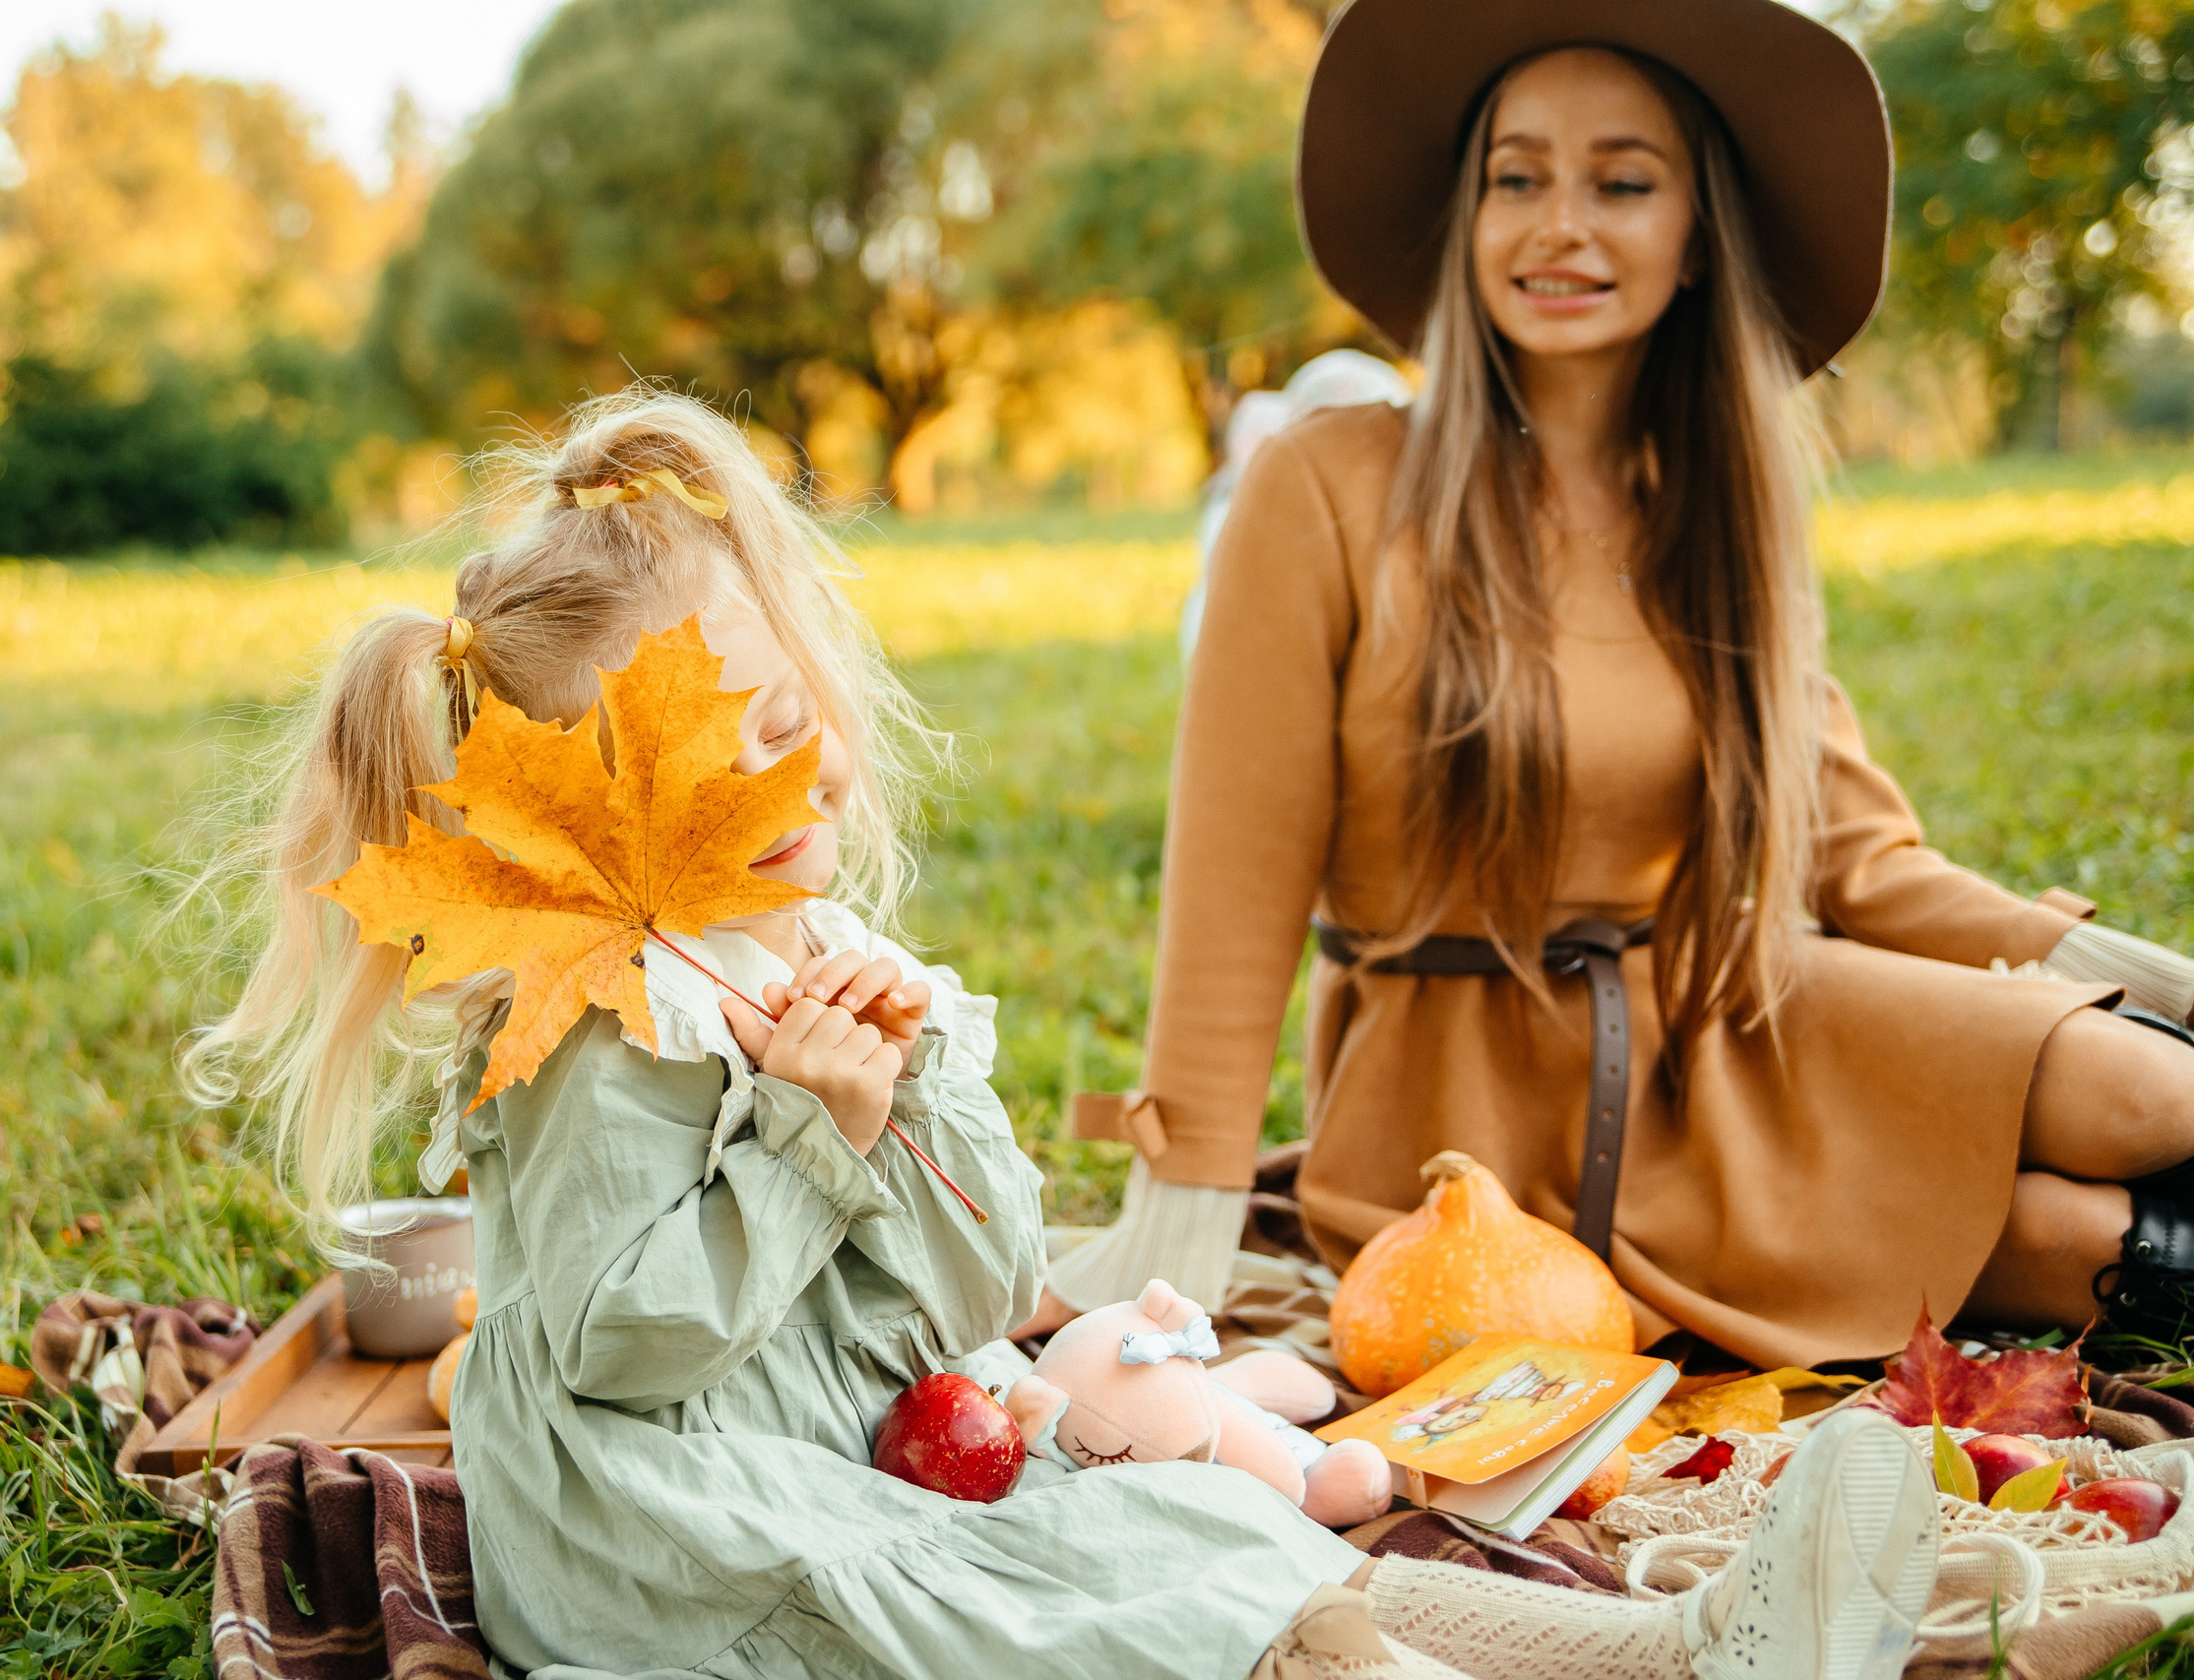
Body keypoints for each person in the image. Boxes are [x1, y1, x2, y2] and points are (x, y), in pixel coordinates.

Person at [189, 386, 1944, 1679]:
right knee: (1087, 1614)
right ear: (576, 825)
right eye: (731, 760)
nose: (794, 773)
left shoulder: (818, 952)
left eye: (801, 715)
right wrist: (805, 1143)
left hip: (853, 1451)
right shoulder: (593, 1041)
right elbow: (624, 1350)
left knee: (1190, 1525)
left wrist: (903, 1109)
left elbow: (981, 1284)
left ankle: (1703, 1638)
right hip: (682, 1536)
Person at [1048, 0, 2194, 1365]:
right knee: (2085, 1247)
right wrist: (1177, 1223)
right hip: (1468, 1124)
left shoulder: (1719, 510)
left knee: (2147, 1091)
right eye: (1515, 178)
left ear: (1699, 231)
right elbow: (1231, 907)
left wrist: (2141, 973)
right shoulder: (1328, 485)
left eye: (1622, 183)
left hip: (1725, 1028)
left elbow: (1861, 856)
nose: (1559, 226)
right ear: (1466, 220)